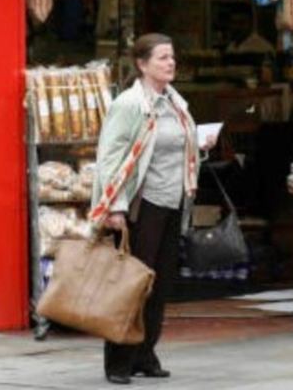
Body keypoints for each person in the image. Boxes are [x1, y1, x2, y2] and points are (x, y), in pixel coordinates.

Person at [89, 33, 216, 385]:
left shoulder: (176, 103)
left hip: (174, 202)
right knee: (131, 284)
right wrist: (114, 206)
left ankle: (145, 353)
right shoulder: (130, 104)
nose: (170, 63)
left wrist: (200, 145)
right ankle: (118, 360)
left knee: (158, 284)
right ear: (142, 65)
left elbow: (177, 147)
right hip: (141, 206)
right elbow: (109, 157)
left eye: (172, 57)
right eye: (162, 58)